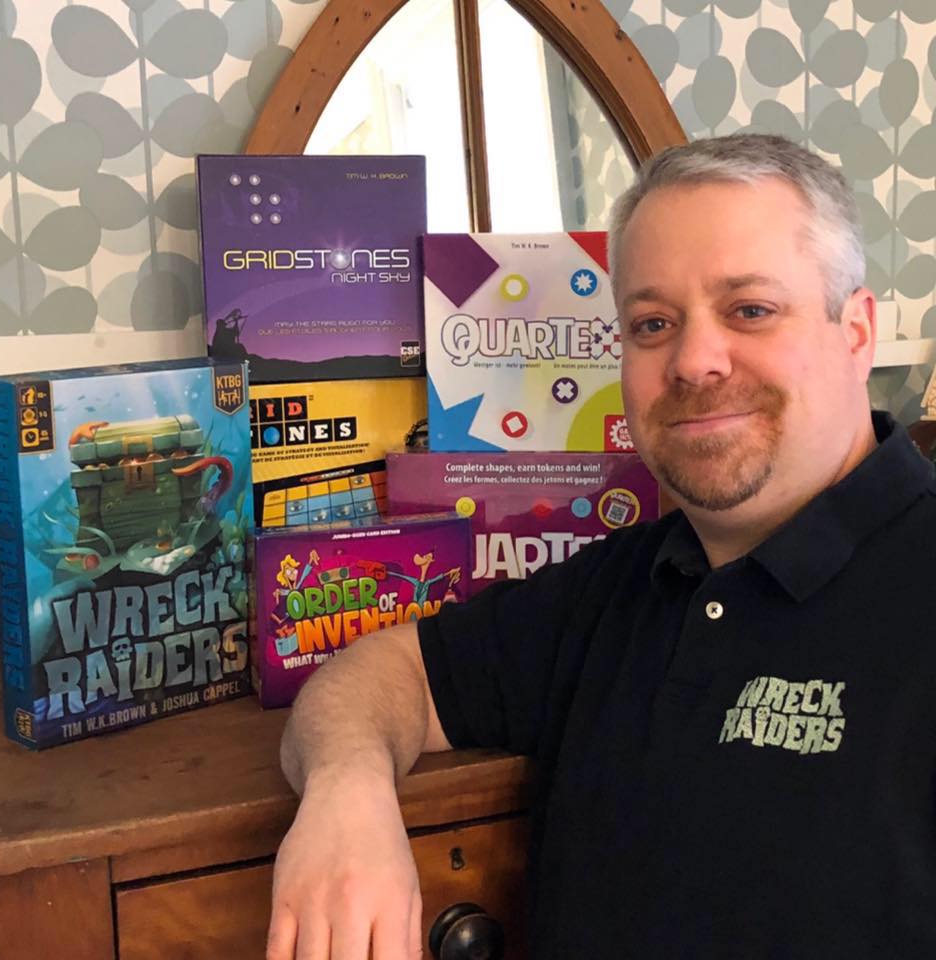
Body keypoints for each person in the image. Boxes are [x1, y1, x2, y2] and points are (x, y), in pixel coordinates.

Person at [265, 134, 936, 959]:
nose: (694, 359)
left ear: (857, 330)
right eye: (653, 322)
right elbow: (381, 674)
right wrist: (346, 789)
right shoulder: (621, 583)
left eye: (750, 309)